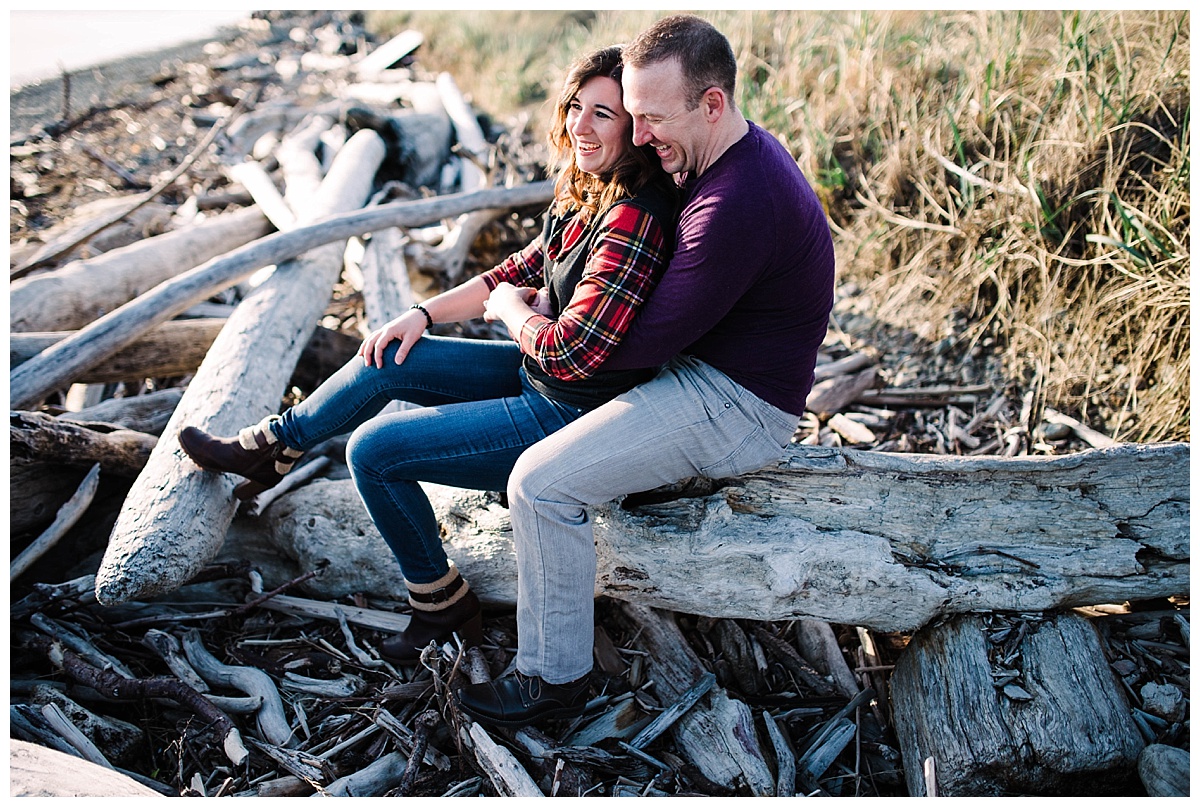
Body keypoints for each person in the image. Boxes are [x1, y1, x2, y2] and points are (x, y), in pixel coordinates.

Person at [177, 45, 678, 666]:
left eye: (603, 114)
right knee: (390, 355)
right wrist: (419, 315)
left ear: (635, 124)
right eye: (576, 107)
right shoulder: (591, 188)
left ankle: (441, 603)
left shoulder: (636, 213)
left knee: (374, 450)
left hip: (569, 417)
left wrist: (513, 314)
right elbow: (522, 268)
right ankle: (272, 448)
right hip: (536, 379)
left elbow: (573, 351)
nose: (580, 126)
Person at [456, 15, 836, 729]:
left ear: (713, 103)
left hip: (737, 404)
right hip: (708, 371)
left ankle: (552, 676)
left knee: (540, 483)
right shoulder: (729, 156)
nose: (639, 135)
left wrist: (522, 314)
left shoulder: (735, 204)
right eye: (633, 116)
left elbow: (614, 350)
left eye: (653, 118)